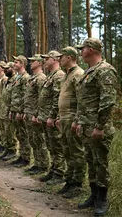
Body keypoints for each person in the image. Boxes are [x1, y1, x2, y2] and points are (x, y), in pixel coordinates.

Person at [73, 38, 118, 216]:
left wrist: (99, 126)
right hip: (86, 126)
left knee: (101, 163)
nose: (80, 52)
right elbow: (82, 101)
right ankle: (93, 195)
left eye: (82, 49)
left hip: (99, 128)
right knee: (91, 161)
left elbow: (107, 102)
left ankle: (102, 199)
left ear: (91, 50)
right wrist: (78, 121)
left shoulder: (105, 70)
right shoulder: (89, 72)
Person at [55, 47, 85, 199]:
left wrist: (78, 120)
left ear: (69, 57)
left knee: (76, 152)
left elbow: (81, 100)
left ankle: (77, 184)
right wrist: (59, 117)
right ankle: (70, 180)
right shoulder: (67, 75)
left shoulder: (78, 74)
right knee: (67, 150)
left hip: (73, 118)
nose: (59, 59)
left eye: (62, 57)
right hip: (65, 118)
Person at [37, 50, 66, 185]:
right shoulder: (51, 76)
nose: (44, 61)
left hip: (52, 118)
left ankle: (59, 173)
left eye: (47, 58)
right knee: (50, 145)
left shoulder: (59, 76)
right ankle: (54, 169)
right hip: (46, 116)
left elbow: (57, 98)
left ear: (55, 60)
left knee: (56, 146)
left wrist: (53, 116)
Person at [24, 54, 50, 175]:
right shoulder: (33, 78)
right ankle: (37, 163)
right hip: (29, 112)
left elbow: (41, 98)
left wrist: (37, 114)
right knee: (33, 139)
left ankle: (43, 165)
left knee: (39, 139)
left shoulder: (41, 78)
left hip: (35, 114)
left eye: (33, 61)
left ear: (39, 63)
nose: (30, 63)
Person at [9, 55, 31, 167]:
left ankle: (26, 158)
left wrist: (21, 111)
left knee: (23, 134)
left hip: (20, 111)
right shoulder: (18, 77)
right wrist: (12, 110)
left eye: (16, 62)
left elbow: (25, 96)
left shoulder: (26, 77)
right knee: (19, 134)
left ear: (22, 64)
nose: (14, 64)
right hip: (15, 109)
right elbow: (15, 95)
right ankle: (21, 156)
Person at [0, 62, 18, 161]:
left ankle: (12, 150)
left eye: (7, 68)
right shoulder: (8, 80)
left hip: (10, 110)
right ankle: (7, 148)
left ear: (12, 68)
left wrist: (12, 109)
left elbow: (15, 96)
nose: (5, 70)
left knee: (10, 131)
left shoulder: (15, 80)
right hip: (4, 109)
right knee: (6, 131)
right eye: (4, 69)